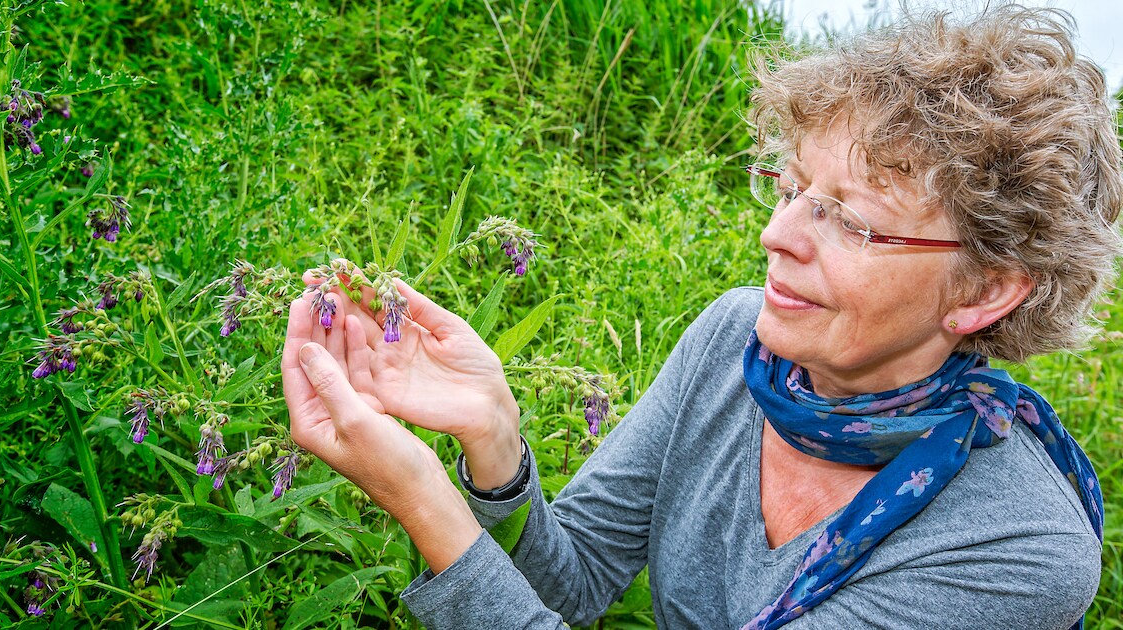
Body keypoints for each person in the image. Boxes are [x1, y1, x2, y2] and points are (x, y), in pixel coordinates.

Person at [281, 5, 1120, 629]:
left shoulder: (1015, 550)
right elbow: (571, 585)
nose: (776, 235)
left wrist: (426, 504)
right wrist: (494, 442)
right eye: (793, 189)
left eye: (851, 220)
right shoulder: (734, 343)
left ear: (984, 293)